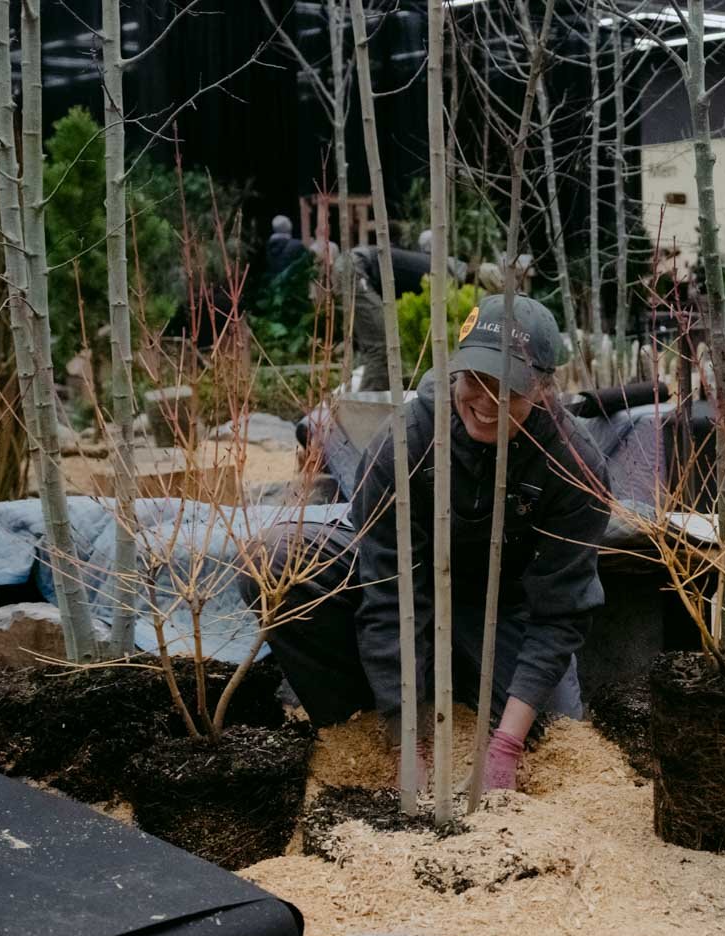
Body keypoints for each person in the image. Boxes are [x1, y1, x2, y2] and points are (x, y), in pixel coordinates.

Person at [242, 295, 608, 791]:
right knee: (272, 557)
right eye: (474, 379)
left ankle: (472, 689)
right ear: (453, 370)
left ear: (544, 389)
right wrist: (405, 737)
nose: (486, 401)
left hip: (502, 605)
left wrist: (505, 745)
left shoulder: (573, 464)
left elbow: (560, 611)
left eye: (509, 389)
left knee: (555, 731)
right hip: (407, 579)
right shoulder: (410, 440)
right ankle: (365, 707)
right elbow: (390, 592)